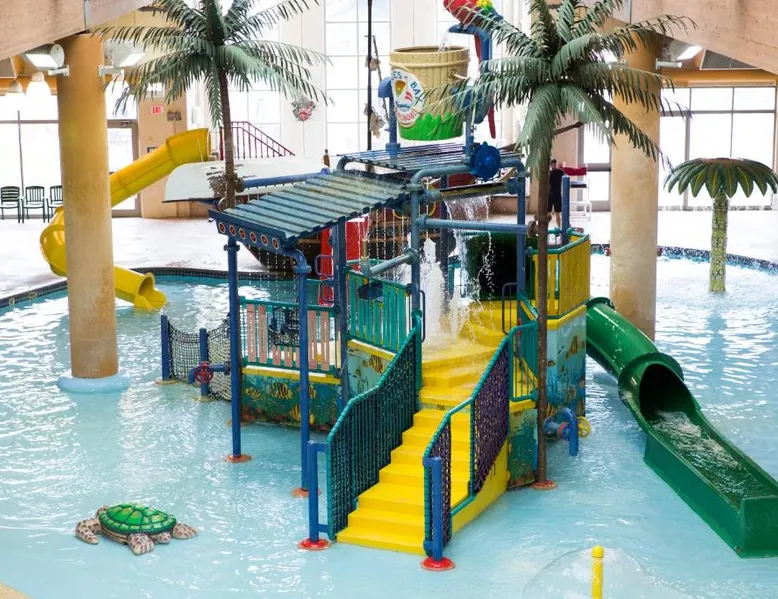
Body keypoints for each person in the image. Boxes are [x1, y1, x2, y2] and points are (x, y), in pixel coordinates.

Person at [548, 158, 565, 230]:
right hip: (550, 195)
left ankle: (559, 228)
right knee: (548, 213)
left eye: (555, 165)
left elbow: (565, 177)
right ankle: (546, 229)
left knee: (558, 213)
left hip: (557, 195)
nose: (554, 166)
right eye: (553, 165)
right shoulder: (549, 173)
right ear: (550, 165)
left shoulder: (560, 172)